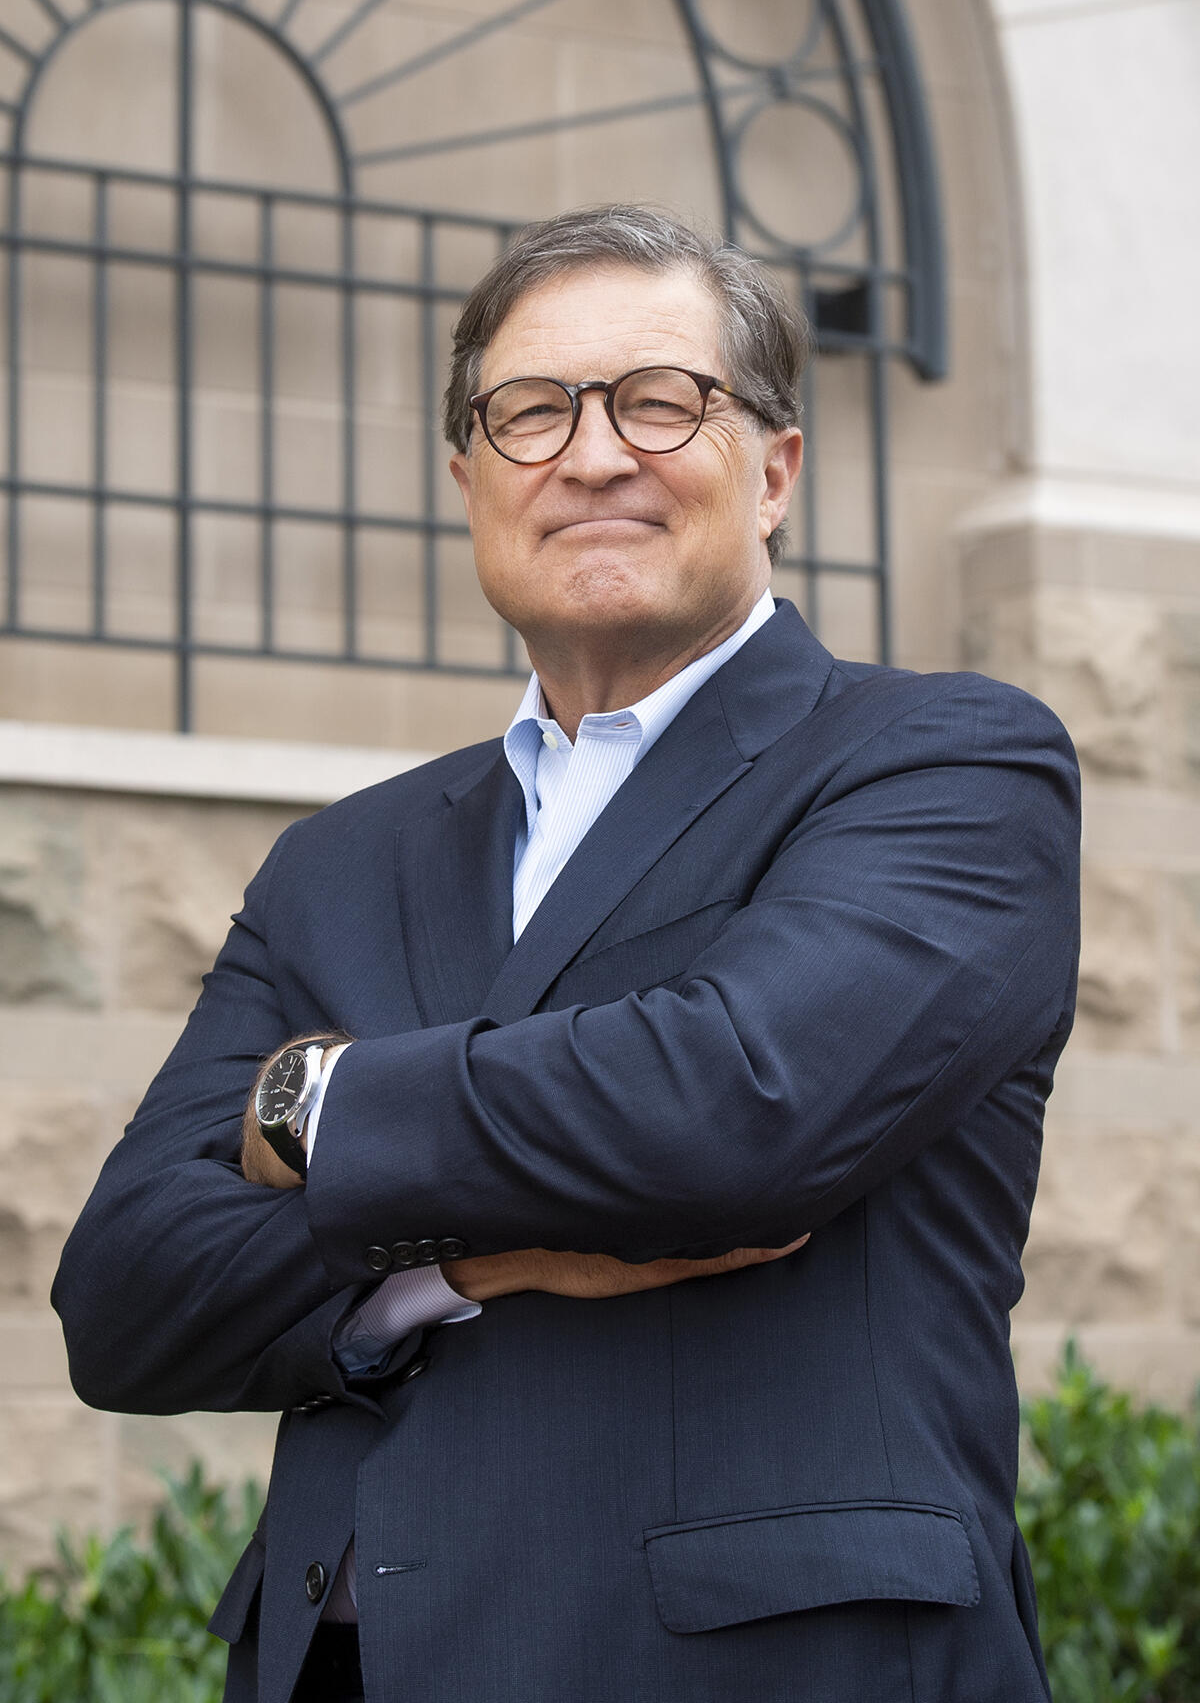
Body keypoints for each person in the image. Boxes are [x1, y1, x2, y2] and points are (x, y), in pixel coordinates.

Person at [53, 204, 1079, 1703]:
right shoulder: (339, 861)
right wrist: (464, 1255)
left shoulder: (941, 766)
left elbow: (733, 1109)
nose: (593, 455)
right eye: (530, 413)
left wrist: (320, 1108)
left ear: (776, 468)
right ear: (471, 480)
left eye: (664, 402)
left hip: (765, 1666)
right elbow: (128, 1293)